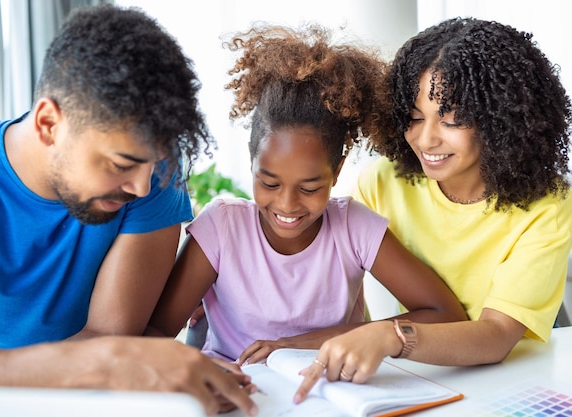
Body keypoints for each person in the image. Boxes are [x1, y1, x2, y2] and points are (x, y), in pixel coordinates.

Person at [0, 4, 257, 416]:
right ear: (48, 123)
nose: (142, 187)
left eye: (153, 166)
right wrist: (105, 364)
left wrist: (129, 366)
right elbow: (107, 354)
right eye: (121, 165)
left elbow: (110, 336)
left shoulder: (152, 173)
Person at [147, 24, 467, 364]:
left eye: (310, 188)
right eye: (269, 183)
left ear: (338, 169)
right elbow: (155, 334)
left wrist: (298, 343)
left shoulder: (352, 227)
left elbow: (444, 313)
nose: (287, 204)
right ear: (251, 158)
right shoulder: (221, 228)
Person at [294, 17, 572, 403]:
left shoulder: (548, 204)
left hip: (518, 376)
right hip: (425, 372)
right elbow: (327, 278)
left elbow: (495, 337)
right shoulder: (382, 183)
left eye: (452, 119)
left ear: (500, 119)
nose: (425, 139)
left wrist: (392, 336)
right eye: (414, 117)